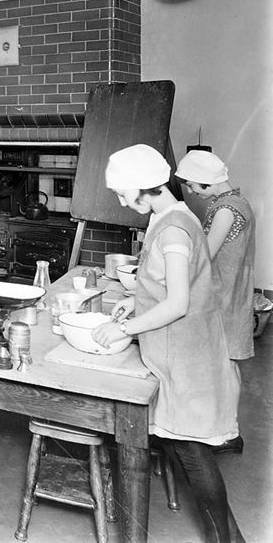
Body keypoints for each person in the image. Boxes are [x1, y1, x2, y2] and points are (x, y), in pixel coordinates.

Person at [92, 144, 245, 543]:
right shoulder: (173, 215)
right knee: (183, 450)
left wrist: (125, 329)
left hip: (186, 357)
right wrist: (135, 298)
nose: (124, 202)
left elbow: (178, 303)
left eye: (125, 194)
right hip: (178, 353)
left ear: (146, 188)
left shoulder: (174, 229)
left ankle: (226, 540)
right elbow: (172, 284)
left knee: (193, 455)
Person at [175, 150, 256, 362]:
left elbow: (206, 254)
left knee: (220, 356)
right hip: (232, 283)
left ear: (204, 181)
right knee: (222, 355)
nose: (191, 192)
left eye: (191, 185)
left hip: (224, 287)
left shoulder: (226, 210)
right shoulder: (236, 199)